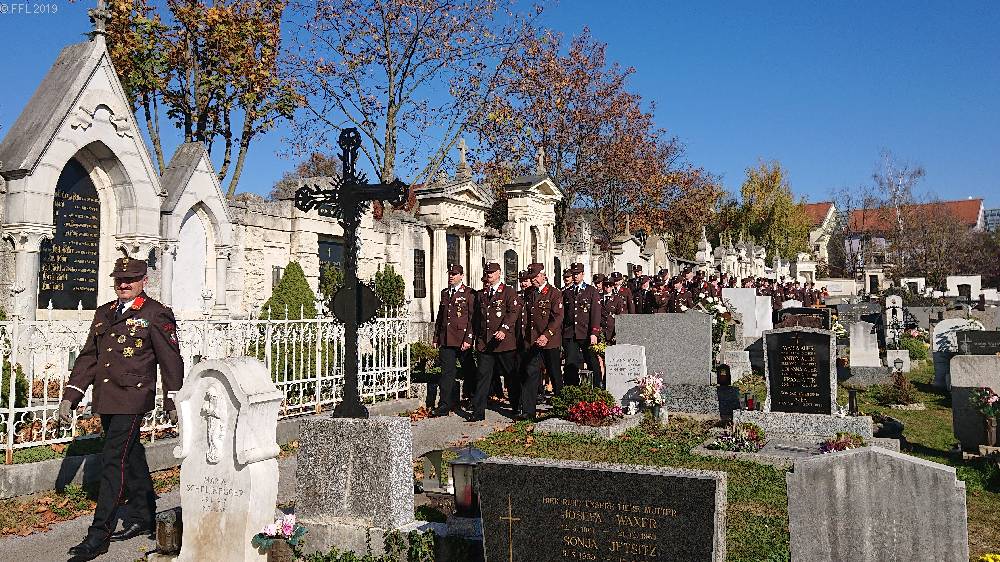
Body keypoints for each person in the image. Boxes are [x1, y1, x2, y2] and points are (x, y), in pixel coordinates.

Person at [58, 255, 184, 561]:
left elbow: (170, 360)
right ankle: (144, 514)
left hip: (132, 398)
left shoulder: (155, 313)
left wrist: (173, 399)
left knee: (113, 459)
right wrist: (71, 395)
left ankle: (98, 535)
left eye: (131, 280)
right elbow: (89, 357)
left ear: (144, 281)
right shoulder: (104, 312)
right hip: (107, 397)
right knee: (131, 453)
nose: (124, 284)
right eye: (119, 280)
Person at [470, 263, 521, 422]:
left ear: (499, 273)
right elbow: (477, 318)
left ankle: (517, 407)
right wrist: (475, 338)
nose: (489, 274)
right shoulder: (482, 293)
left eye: (492, 272)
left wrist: (504, 329)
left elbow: (513, 312)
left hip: (503, 343)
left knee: (510, 376)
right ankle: (478, 411)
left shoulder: (508, 291)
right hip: (485, 343)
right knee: (482, 377)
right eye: (487, 272)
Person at [431, 263, 476, 417]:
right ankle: (444, 405)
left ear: (461, 276)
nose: (451, 276)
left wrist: (469, 338)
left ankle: (473, 399)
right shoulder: (445, 293)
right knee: (446, 373)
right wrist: (436, 337)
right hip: (446, 339)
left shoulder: (469, 293)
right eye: (450, 273)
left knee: (469, 371)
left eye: (455, 274)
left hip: (462, 339)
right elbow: (440, 317)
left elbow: (472, 318)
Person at [521, 263, 563, 420]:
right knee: (531, 374)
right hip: (533, 341)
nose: (533, 280)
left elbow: (558, 317)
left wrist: (547, 335)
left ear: (543, 276)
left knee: (554, 374)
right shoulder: (529, 293)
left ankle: (561, 406)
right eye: (531, 277)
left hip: (549, 341)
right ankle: (528, 411)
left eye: (535, 277)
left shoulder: (554, 293)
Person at [562, 263, 602, 387]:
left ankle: (597, 387)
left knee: (592, 361)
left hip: (586, 333)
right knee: (570, 363)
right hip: (570, 333)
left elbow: (595, 313)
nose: (575, 276)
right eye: (573, 274)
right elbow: (564, 314)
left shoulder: (591, 291)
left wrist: (594, 332)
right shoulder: (567, 292)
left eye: (577, 274)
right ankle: (571, 389)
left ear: (582, 274)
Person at [600, 278, 627, 344]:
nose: (608, 287)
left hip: (612, 331)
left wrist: (618, 333)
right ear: (603, 286)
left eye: (610, 285)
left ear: (613, 286)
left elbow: (620, 317)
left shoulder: (617, 299)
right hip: (600, 331)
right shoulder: (598, 297)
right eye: (606, 285)